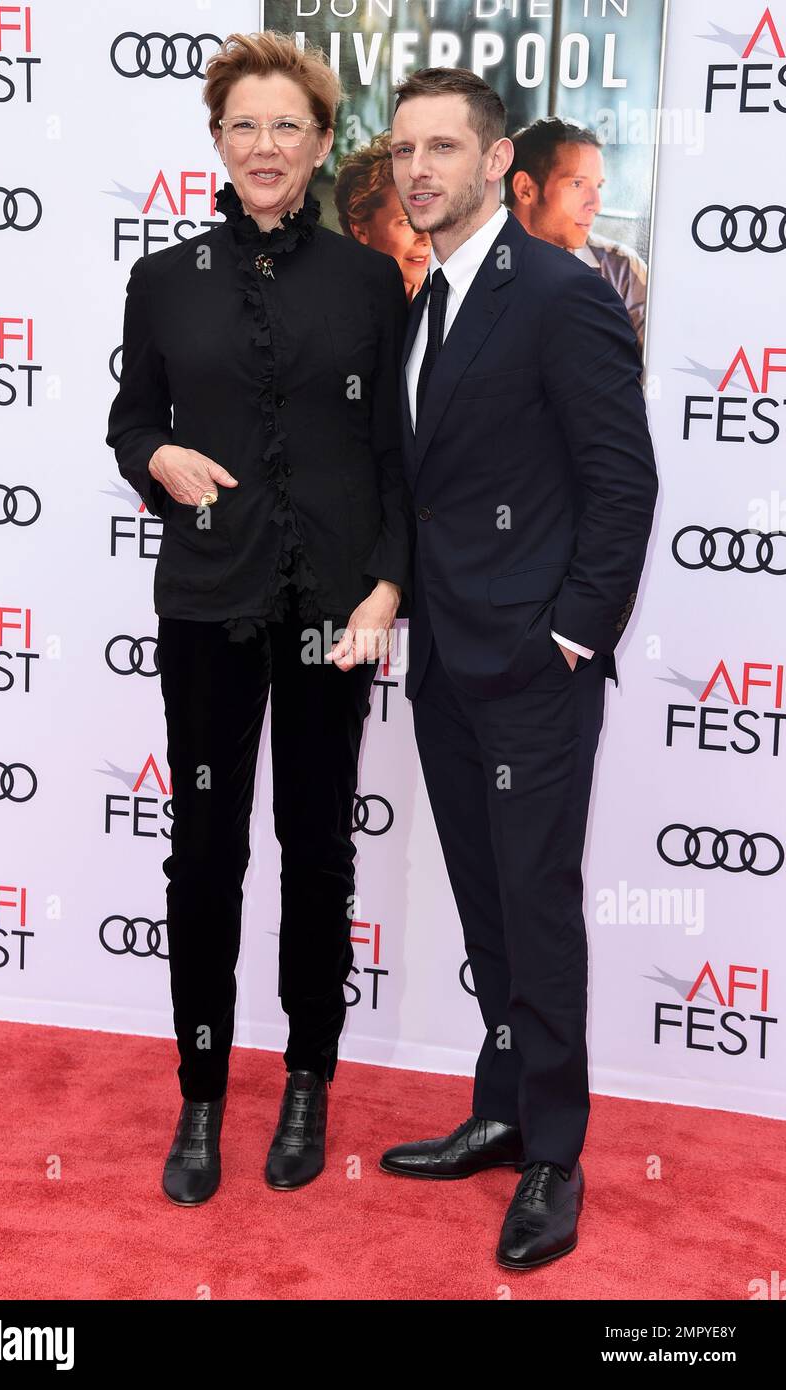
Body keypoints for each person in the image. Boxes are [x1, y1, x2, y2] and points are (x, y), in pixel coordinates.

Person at [105, 31, 411, 1207]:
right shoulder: (164, 278)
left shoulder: (367, 283)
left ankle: (306, 1080)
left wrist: (387, 586)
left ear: (324, 144)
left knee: (318, 849)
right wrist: (156, 455)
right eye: (244, 125)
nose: (266, 145)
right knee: (206, 854)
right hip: (208, 607)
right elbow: (130, 422)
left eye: (288, 125)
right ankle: (199, 1095)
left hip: (335, 613)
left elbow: (394, 453)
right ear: (216, 141)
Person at [379, 68, 658, 1269]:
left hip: (532, 666)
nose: (418, 169)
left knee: (535, 905)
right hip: (445, 658)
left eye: (444, 146)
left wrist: (569, 634)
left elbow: (621, 482)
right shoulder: (422, 299)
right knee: (488, 902)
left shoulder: (556, 292)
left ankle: (553, 1150)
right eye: (402, 150)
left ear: (499, 163)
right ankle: (501, 1104)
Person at [505, 117, 648, 353]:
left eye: (598, 186)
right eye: (577, 184)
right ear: (525, 189)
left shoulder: (622, 271)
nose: (596, 204)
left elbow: (657, 372)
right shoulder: (474, 264)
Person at [333, 131, 431, 301]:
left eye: (429, 216)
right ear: (361, 231)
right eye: (406, 221)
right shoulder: (334, 307)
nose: (426, 237)